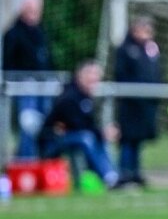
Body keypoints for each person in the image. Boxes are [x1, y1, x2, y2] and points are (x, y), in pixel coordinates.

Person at [39, 60, 120, 189]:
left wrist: (102, 134)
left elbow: (88, 124)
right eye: (91, 75)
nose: (95, 80)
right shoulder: (69, 96)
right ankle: (108, 177)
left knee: (97, 139)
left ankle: (114, 175)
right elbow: (76, 125)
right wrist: (102, 133)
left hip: (73, 136)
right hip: (52, 141)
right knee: (86, 138)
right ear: (81, 75)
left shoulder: (85, 97)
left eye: (97, 76)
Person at [113, 17, 162, 187]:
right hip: (130, 104)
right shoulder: (126, 49)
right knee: (127, 140)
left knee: (138, 141)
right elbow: (121, 74)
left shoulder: (151, 50)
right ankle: (124, 173)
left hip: (145, 105)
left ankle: (136, 172)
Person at [3, 0, 52, 159]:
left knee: (45, 124)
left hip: (43, 87)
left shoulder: (41, 32)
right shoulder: (13, 33)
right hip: (24, 88)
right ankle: (26, 161)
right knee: (28, 126)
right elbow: (8, 63)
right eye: (30, 9)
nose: (34, 13)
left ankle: (44, 159)